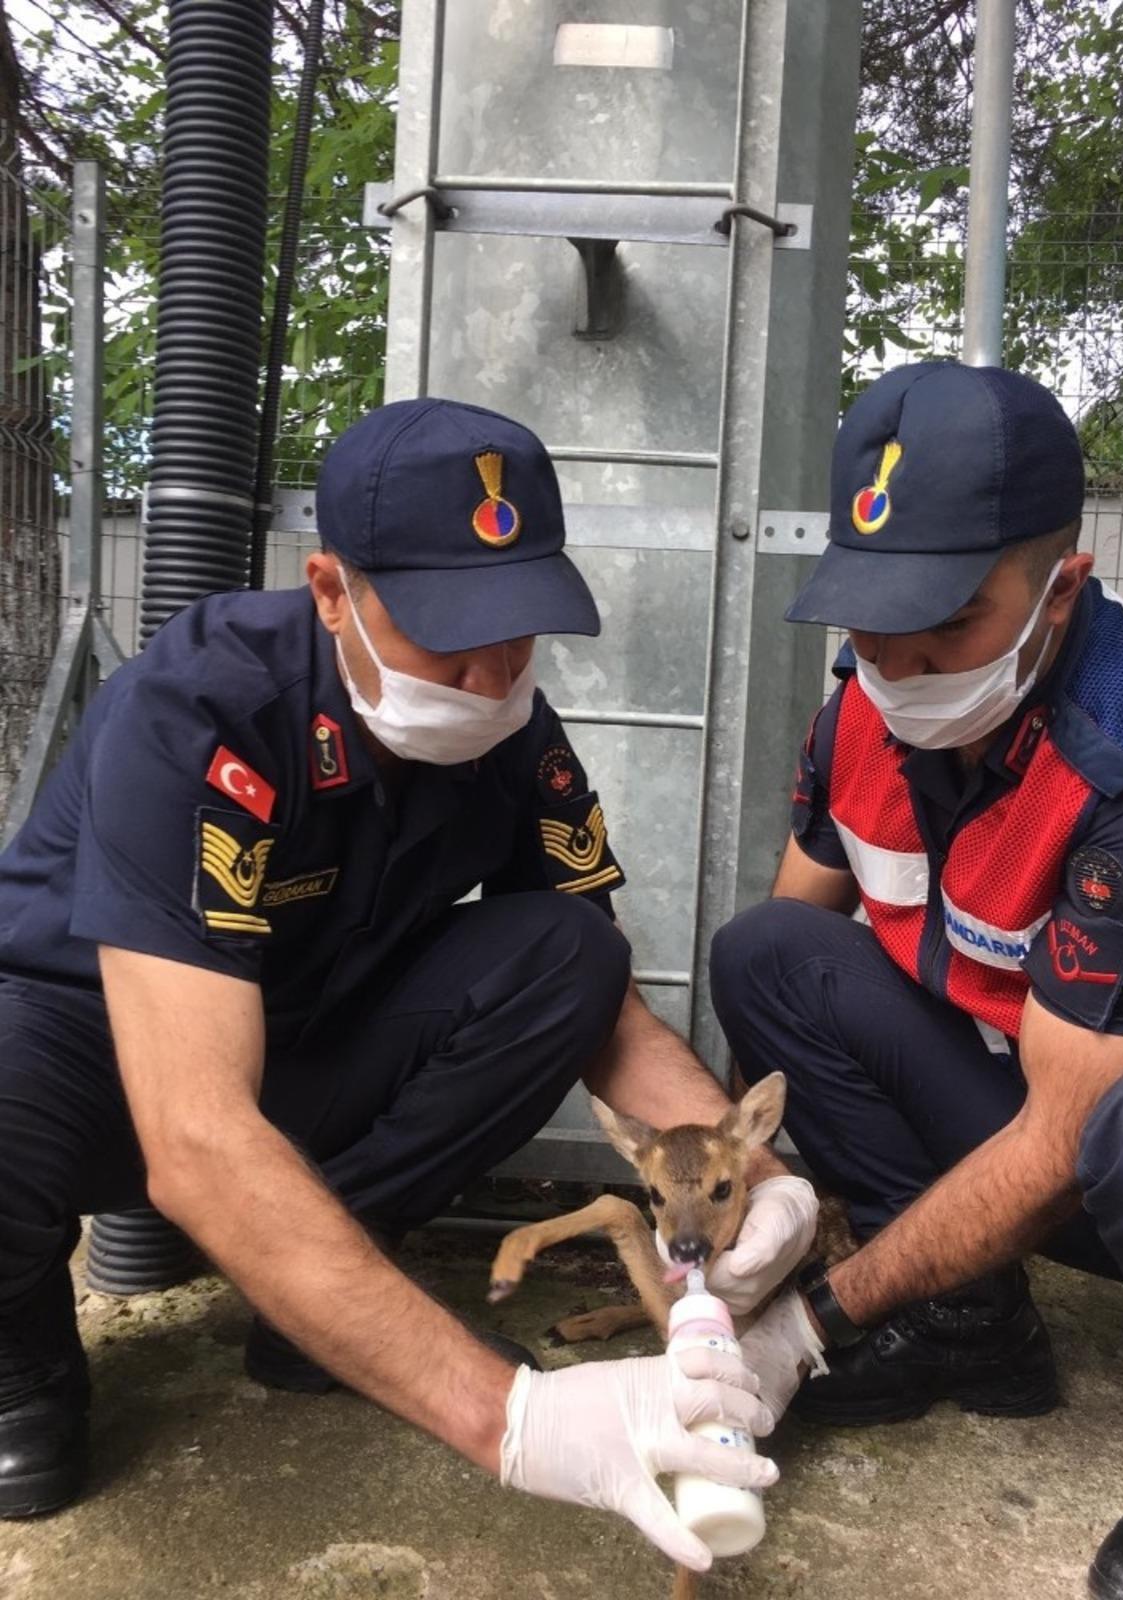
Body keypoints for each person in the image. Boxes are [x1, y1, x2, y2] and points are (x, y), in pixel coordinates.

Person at [0, 398, 818, 1572]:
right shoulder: (201, 711)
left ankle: (330, 1292)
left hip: (313, 1051)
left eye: (522, 633)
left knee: (574, 956)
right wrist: (510, 1419)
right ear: (333, 590)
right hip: (110, 1070)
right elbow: (192, 1127)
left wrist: (764, 1178)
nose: (492, 676)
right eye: (451, 634)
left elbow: (612, 1013)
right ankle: (19, 1355)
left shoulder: (512, 739)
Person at [712, 362, 1123, 1600]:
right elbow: (793, 945)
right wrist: (742, 1201)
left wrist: (813, 1320)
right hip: (1032, 1082)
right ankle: (975, 1329)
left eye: (952, 622)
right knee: (764, 958)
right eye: (875, 617)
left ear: (1061, 590)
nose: (903, 662)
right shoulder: (864, 709)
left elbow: (1063, 1141)